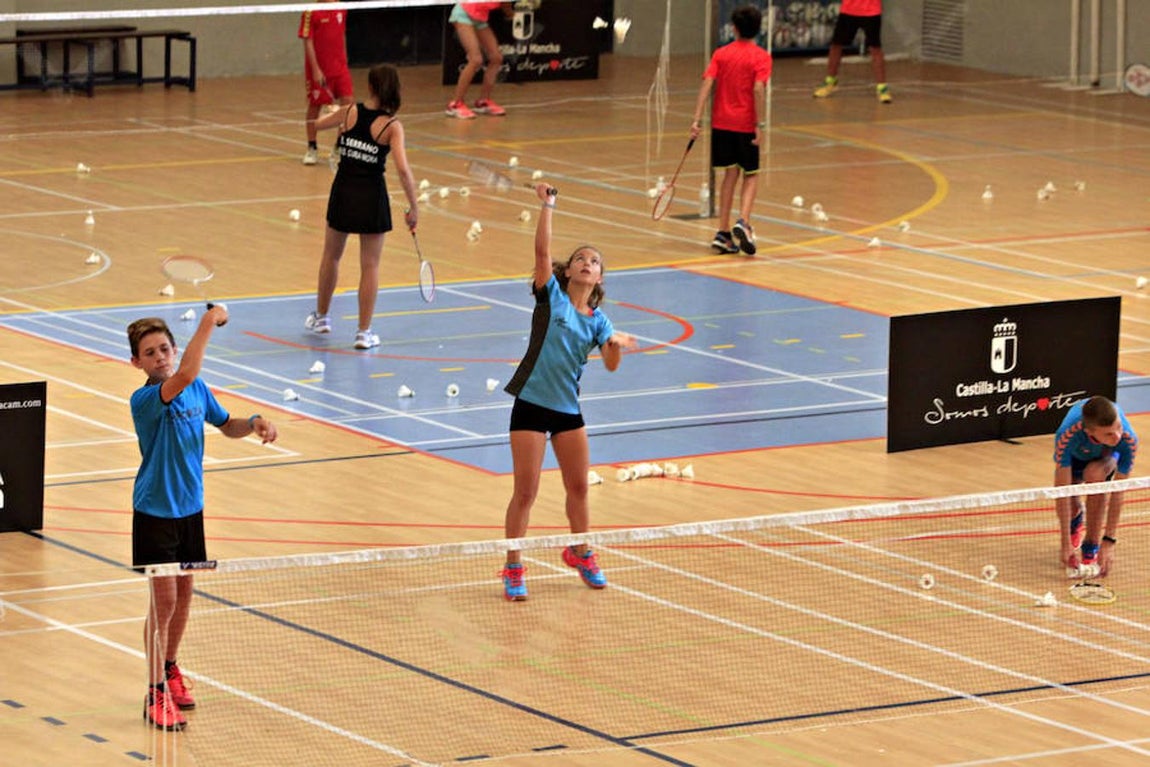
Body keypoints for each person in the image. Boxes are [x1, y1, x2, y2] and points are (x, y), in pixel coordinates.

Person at [128, 311, 278, 731]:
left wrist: (252, 423)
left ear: (173, 349)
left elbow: (225, 424)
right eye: (149, 353)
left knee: (186, 593)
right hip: (155, 512)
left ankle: (170, 669)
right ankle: (154, 691)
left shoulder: (196, 389)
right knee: (164, 603)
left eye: (164, 349)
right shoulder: (147, 400)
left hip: (191, 509)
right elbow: (190, 367)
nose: (160, 357)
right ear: (136, 363)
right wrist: (211, 319)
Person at [498, 183, 638, 601]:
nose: (586, 262)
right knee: (526, 491)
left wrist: (613, 347)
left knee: (577, 488)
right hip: (530, 405)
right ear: (569, 271)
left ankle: (580, 552)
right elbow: (542, 253)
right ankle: (512, 566)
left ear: (598, 279)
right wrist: (547, 204)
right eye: (580, 258)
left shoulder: (599, 321)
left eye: (593, 262)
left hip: (565, 410)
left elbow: (612, 366)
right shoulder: (552, 298)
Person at [304, 64, 419, 349]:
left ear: (370, 87)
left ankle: (321, 317)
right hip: (371, 197)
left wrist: (321, 105)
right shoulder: (392, 127)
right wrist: (413, 207)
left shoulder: (348, 113)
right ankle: (363, 333)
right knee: (370, 266)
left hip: (343, 192)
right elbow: (403, 171)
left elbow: (314, 125)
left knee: (331, 256)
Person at [690, 4, 772, 257]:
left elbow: (706, 84)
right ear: (759, 30)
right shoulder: (761, 57)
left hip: (721, 124)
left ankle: (723, 232)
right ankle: (743, 222)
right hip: (745, 124)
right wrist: (759, 124)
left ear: (733, 28)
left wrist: (696, 120)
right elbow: (758, 89)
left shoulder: (721, 54)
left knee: (729, 175)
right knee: (752, 175)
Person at [1053, 395, 1138, 577]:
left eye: (1118, 427)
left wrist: (1109, 541)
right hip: (1075, 459)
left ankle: (1091, 544)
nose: (1117, 435)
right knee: (1070, 504)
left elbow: (1118, 493)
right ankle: (1075, 519)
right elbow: (1062, 490)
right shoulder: (1067, 435)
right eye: (1108, 433)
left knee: (1095, 475)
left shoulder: (1127, 440)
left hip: (1106, 456)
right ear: (1090, 432)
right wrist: (1065, 542)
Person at [299, 0, 354, 165]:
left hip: (340, 68)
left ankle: (339, 146)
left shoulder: (341, 8)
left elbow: (341, 35)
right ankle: (312, 147)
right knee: (315, 107)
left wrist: (344, 61)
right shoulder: (311, 12)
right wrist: (315, 69)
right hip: (320, 70)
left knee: (348, 106)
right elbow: (307, 41)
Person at [812, 0, 891, 103]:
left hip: (871, 11)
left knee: (875, 48)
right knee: (836, 45)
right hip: (848, 11)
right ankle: (830, 81)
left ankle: (882, 88)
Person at [445, 2, 512, 119]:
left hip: (479, 19)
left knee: (496, 57)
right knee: (475, 59)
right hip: (463, 14)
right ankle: (455, 104)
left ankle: (483, 101)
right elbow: (506, 7)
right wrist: (512, 15)